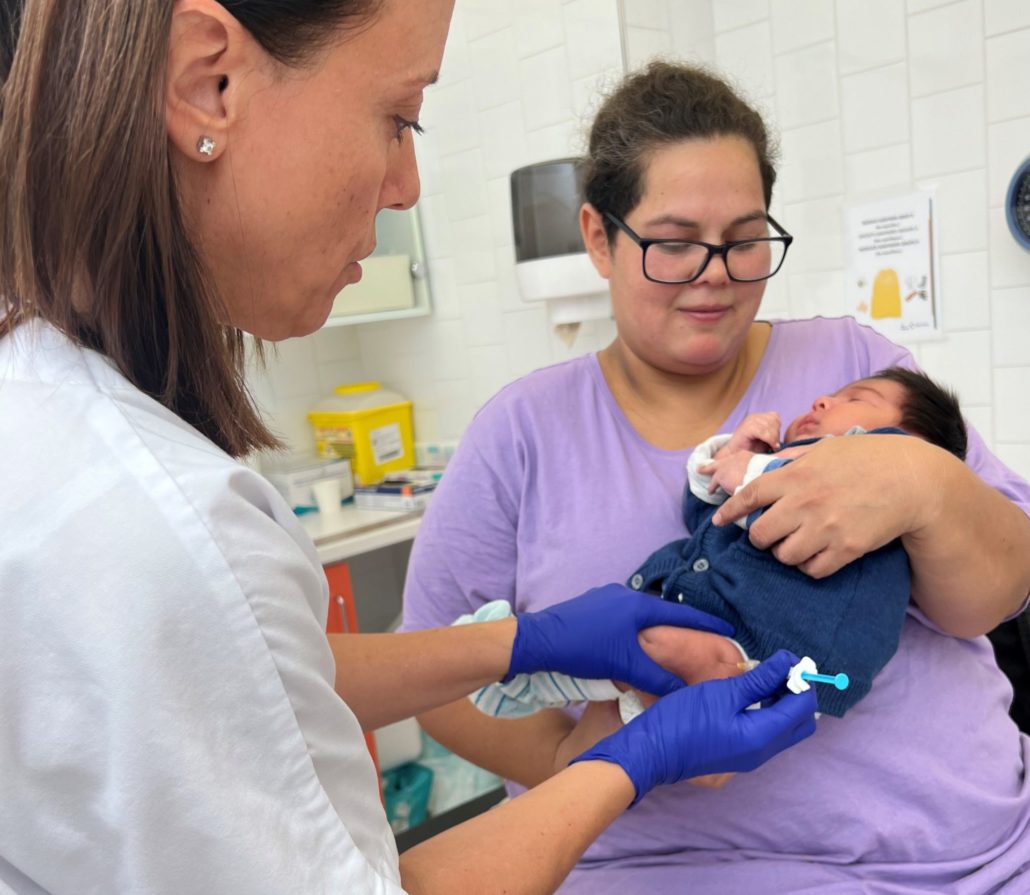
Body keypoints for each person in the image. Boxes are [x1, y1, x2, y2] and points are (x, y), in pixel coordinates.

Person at [0, 6, 820, 895]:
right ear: (210, 84)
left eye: (742, 243)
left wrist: (519, 643)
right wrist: (631, 757)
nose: (408, 186)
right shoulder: (158, 528)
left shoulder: (47, 410)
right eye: (401, 117)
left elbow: (258, 678)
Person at [402, 61, 1030, 892]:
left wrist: (922, 483)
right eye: (674, 242)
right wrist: (571, 756)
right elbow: (432, 673)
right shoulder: (521, 433)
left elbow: (1004, 586)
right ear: (599, 236)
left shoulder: (855, 369)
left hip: (966, 858)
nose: (717, 273)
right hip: (665, 872)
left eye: (743, 241)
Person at [458, 366, 970, 723]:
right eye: (833, 393)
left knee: (643, 646)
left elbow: (791, 498)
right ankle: (538, 668)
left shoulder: (872, 483)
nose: (822, 400)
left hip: (774, 655)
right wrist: (732, 455)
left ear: (905, 448)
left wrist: (747, 470)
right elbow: (706, 517)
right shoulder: (794, 466)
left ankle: (531, 675)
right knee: (623, 629)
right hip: (726, 634)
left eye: (855, 400)